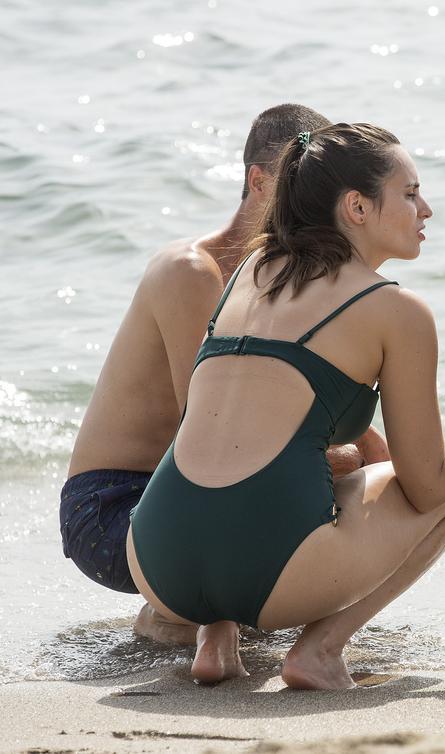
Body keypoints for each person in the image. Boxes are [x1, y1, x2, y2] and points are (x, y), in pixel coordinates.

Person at [125, 123, 445, 689]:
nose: (425, 209)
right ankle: (320, 652)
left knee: (270, 460)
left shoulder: (250, 274)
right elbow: (427, 485)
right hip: (265, 573)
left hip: (157, 559)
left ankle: (216, 635)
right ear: (356, 206)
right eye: (409, 193)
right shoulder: (395, 310)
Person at [60, 104, 388, 645]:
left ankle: (233, 610)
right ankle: (179, 612)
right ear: (259, 182)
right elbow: (212, 431)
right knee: (339, 469)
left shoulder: (277, 280)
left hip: (193, 494)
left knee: (371, 473)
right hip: (112, 509)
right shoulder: (191, 272)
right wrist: (344, 459)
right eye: (300, 184)